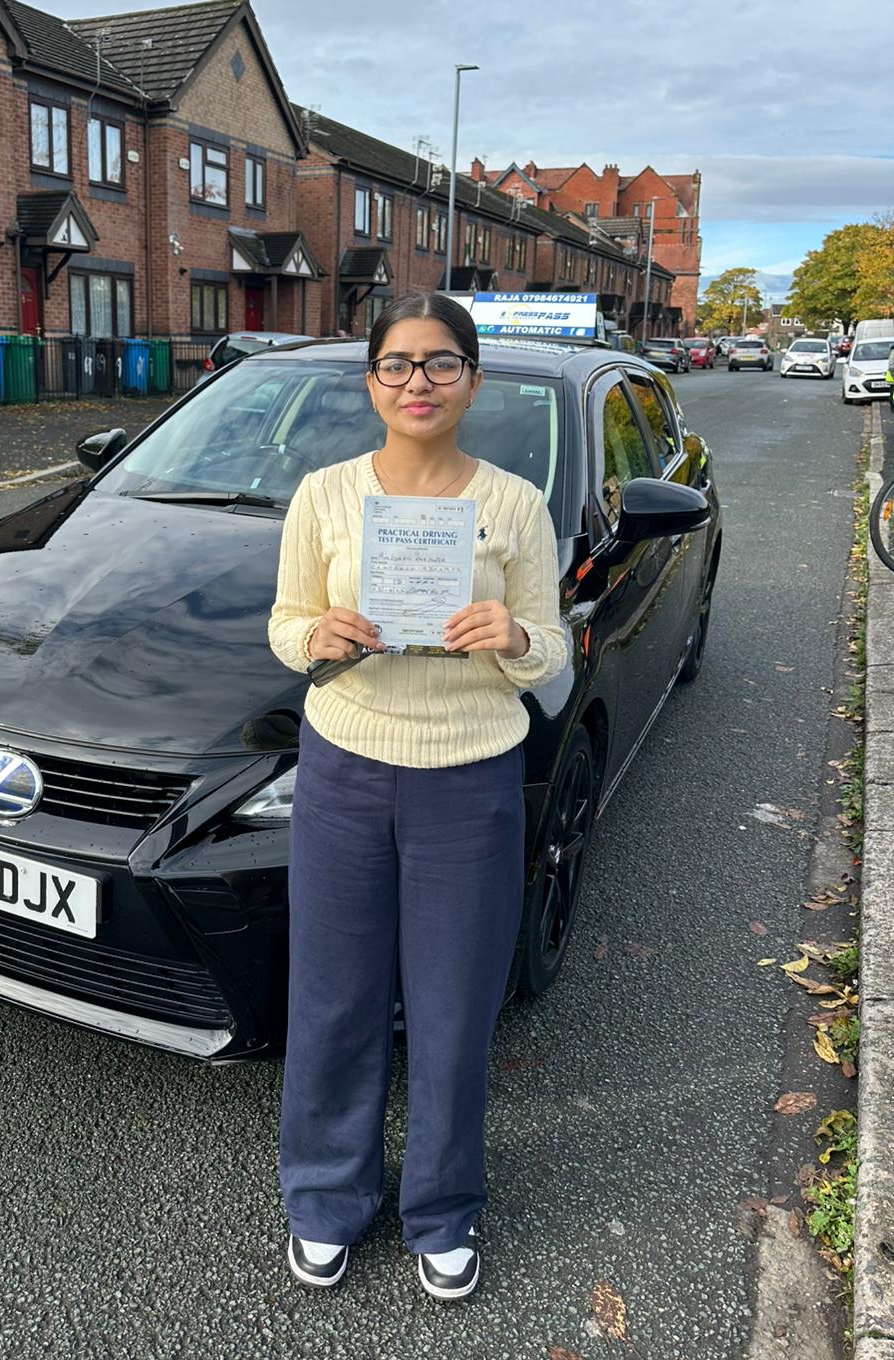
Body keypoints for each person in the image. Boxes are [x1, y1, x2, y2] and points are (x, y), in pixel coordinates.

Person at [267, 291, 567, 1300]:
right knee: (334, 998)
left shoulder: (513, 505)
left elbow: (553, 649)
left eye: (442, 363)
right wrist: (316, 637)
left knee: (453, 1007)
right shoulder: (325, 495)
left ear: (473, 383)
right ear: (372, 383)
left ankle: (443, 1207)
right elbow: (285, 622)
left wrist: (514, 638)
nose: (419, 382)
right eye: (397, 364)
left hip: (472, 779)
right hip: (346, 769)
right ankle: (326, 1198)